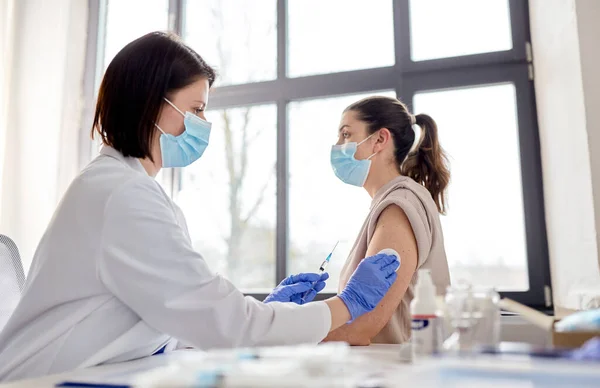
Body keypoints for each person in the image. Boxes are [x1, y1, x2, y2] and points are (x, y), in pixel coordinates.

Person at [0, 32, 399, 382]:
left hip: (89, 373)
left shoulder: (134, 192)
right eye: (195, 110)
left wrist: (263, 312)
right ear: (150, 105)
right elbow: (226, 325)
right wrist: (344, 305)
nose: (203, 123)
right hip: (43, 381)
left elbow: (177, 327)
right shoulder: (121, 196)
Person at [323, 96, 451, 345]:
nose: (338, 145)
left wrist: (280, 334)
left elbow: (359, 328)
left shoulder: (398, 206)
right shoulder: (390, 202)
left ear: (380, 140)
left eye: (346, 135)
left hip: (396, 375)